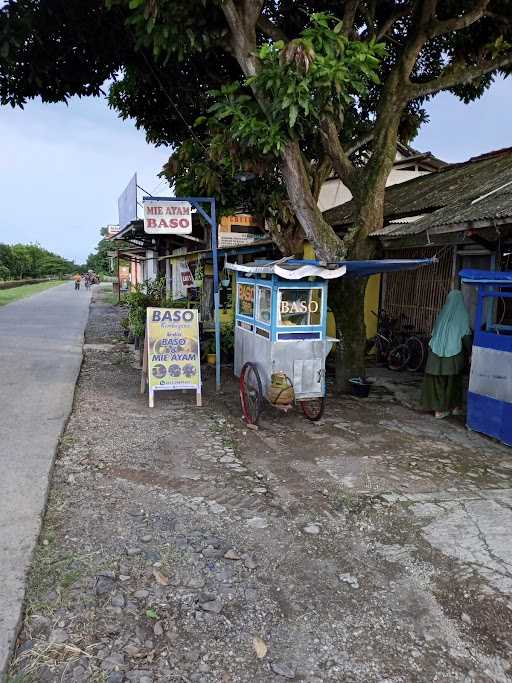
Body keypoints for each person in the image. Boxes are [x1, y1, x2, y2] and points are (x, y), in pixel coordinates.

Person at [422, 290, 472, 419]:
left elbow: (433, 334)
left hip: (435, 355)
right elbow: (466, 337)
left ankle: (438, 410)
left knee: (437, 382)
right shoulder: (463, 315)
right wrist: (471, 352)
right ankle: (451, 408)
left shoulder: (442, 314)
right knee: (453, 383)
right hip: (453, 357)